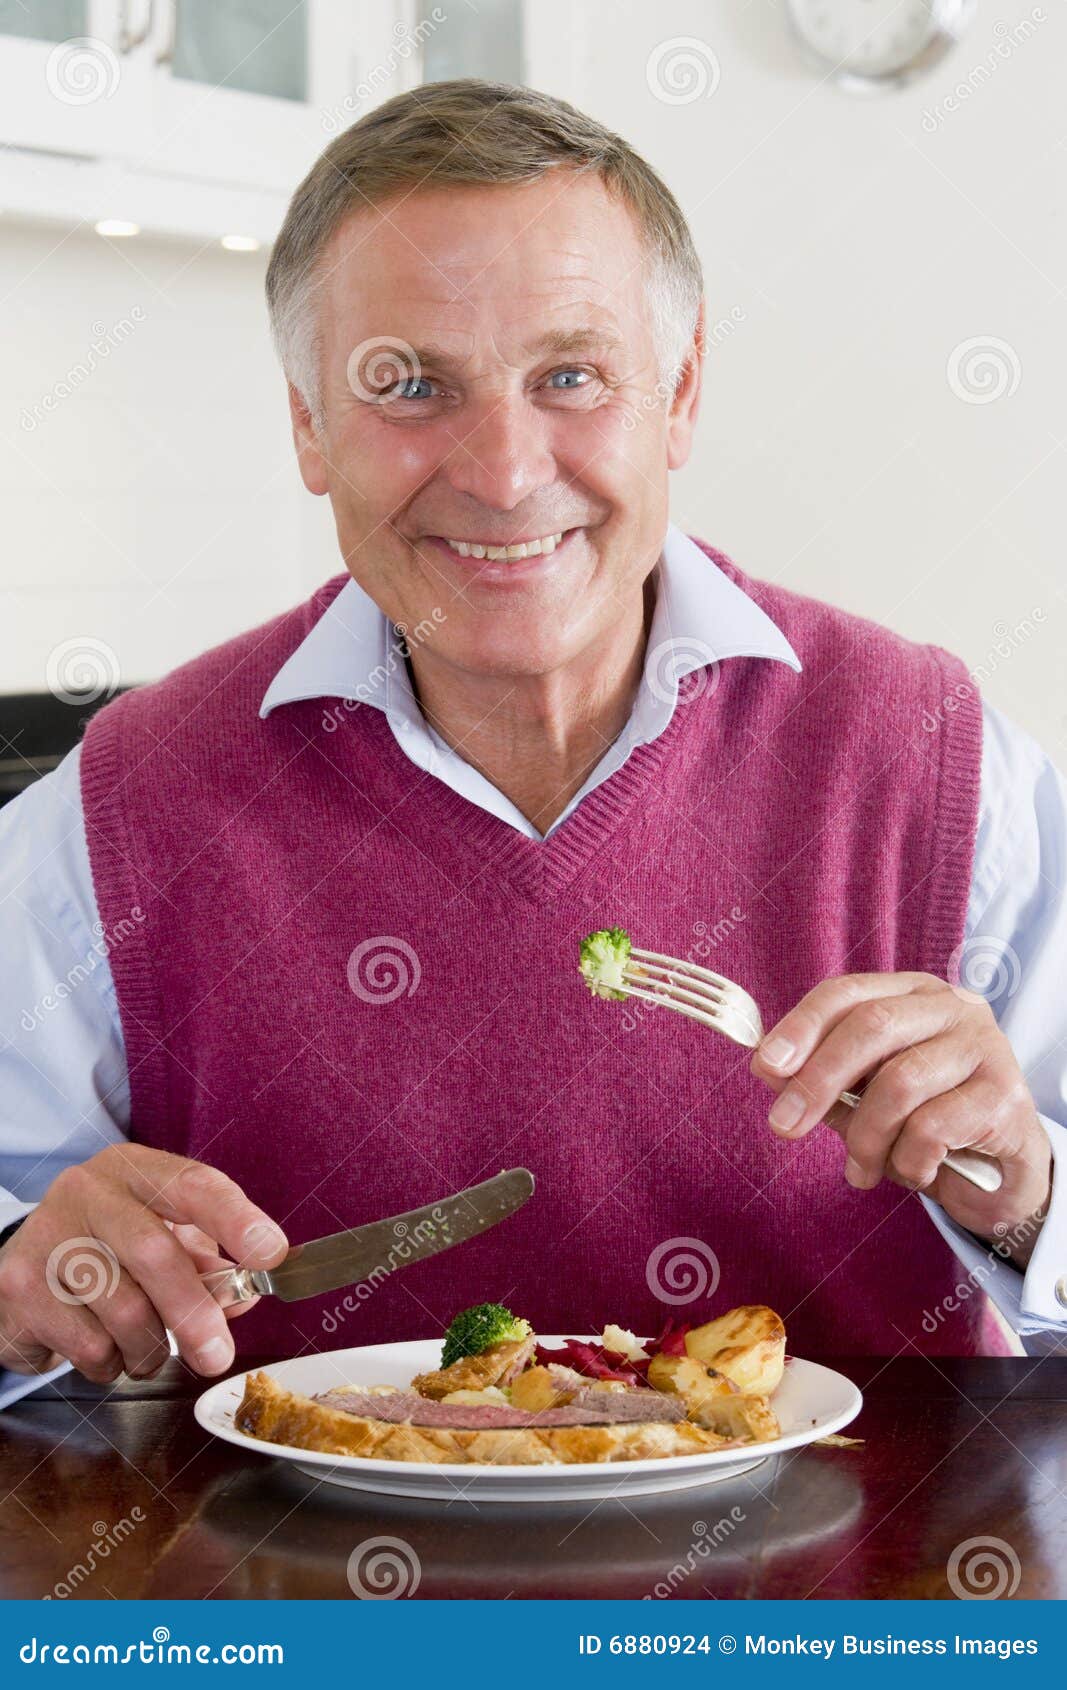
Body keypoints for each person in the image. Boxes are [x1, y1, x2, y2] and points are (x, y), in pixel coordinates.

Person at [1, 80, 1063, 1395]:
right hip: (302, 1597)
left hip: (858, 1600)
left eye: (569, 375)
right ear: (307, 427)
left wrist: (1030, 1194)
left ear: (676, 392)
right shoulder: (124, 802)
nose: (503, 470)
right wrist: (25, 1273)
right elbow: (24, 1264)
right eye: (409, 385)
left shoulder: (935, 757)